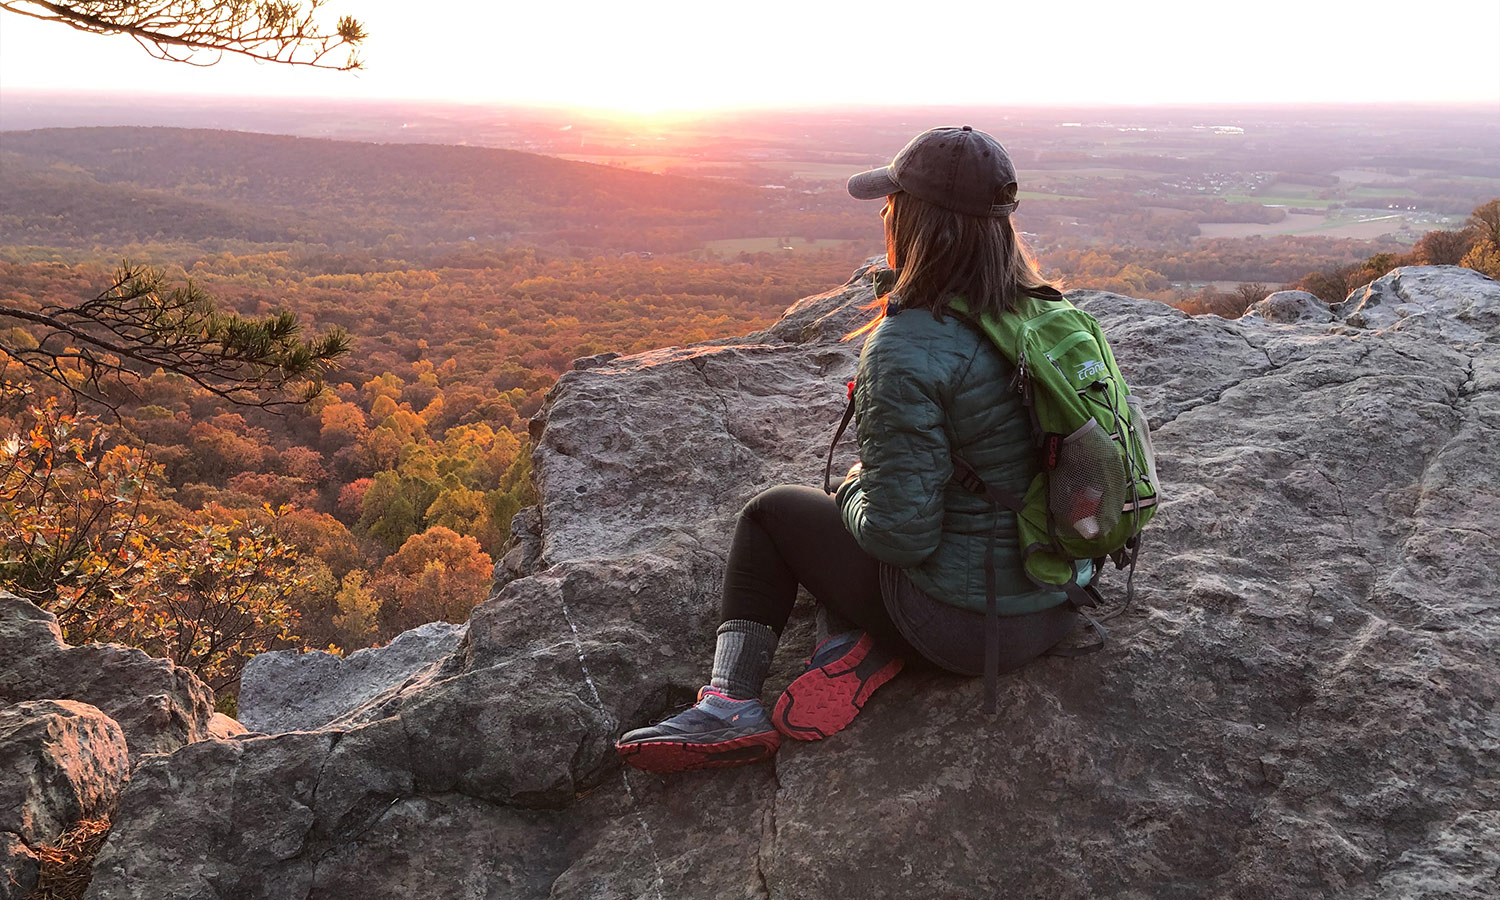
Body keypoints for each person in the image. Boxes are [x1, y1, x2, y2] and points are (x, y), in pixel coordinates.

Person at [615, 125, 1087, 774]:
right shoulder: (1050, 314)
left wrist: (860, 487)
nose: (886, 214)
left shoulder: (911, 346)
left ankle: (730, 707)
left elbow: (901, 539)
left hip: (967, 629)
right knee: (868, 504)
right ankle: (855, 641)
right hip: (1057, 603)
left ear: (916, 223)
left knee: (775, 515)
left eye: (892, 204)